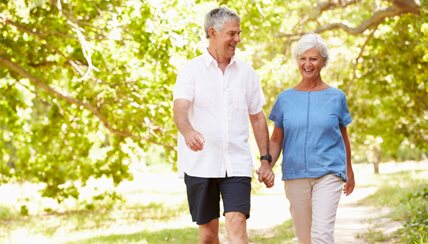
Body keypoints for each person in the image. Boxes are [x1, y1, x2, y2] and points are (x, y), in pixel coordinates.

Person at [173, 7, 274, 244]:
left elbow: (257, 117)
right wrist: (188, 132)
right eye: (232, 33)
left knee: (237, 224)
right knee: (208, 236)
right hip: (200, 164)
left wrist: (265, 159)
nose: (237, 39)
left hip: (237, 163)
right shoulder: (191, 70)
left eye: (239, 33)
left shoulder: (247, 73)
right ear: (212, 32)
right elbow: (180, 108)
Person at [265, 33, 355, 244]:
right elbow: (276, 138)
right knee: (305, 239)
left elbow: (343, 137)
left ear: (323, 62)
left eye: (313, 59)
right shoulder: (285, 99)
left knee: (322, 235)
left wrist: (349, 170)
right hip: (295, 175)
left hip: (329, 173)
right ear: (297, 61)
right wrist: (267, 164)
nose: (307, 64)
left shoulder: (336, 97)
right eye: (303, 58)